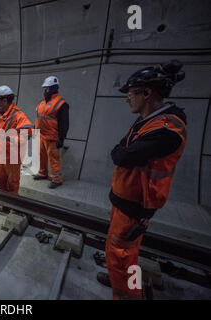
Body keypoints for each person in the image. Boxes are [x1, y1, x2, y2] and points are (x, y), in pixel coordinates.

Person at [97, 60, 187, 299]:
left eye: (131, 93)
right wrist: (122, 152)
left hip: (136, 205)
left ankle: (127, 292)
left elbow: (122, 154)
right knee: (124, 253)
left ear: (147, 93)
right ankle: (120, 277)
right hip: (127, 201)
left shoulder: (167, 128)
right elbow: (124, 151)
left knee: (121, 254)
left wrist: (122, 152)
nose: (127, 98)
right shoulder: (149, 121)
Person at [33, 76, 69, 188]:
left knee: (53, 158)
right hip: (42, 135)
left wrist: (61, 138)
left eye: (47, 88)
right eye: (45, 89)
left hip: (53, 137)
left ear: (54, 88)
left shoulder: (61, 104)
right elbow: (39, 118)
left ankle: (57, 179)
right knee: (42, 156)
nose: (45, 91)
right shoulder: (42, 102)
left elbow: (64, 123)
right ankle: (42, 173)